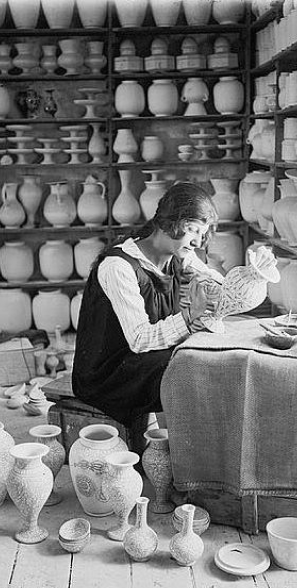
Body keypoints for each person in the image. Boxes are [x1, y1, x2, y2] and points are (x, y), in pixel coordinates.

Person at [71, 181, 224, 446]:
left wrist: (247, 278)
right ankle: (182, 454)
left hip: (145, 360)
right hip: (110, 372)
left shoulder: (179, 254)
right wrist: (189, 317)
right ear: (171, 222)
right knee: (188, 367)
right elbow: (140, 339)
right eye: (193, 230)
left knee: (204, 358)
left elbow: (216, 284)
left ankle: (191, 453)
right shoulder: (119, 266)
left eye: (203, 233)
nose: (198, 241)